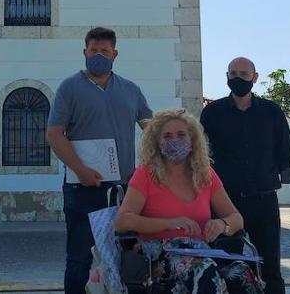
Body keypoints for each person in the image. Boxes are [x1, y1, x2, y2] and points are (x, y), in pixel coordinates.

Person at [46, 26, 153, 294]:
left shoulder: (130, 89)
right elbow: (54, 134)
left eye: (104, 51)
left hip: (125, 190)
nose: (99, 55)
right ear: (84, 52)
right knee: (79, 259)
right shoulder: (69, 88)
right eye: (94, 50)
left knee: (129, 256)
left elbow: (150, 129)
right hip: (82, 188)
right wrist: (80, 170)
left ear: (115, 54)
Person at [115, 109, 260, 294]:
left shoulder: (205, 175)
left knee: (241, 275)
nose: (174, 140)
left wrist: (221, 224)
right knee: (204, 272)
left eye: (181, 135)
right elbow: (122, 221)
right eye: (167, 136)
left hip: (202, 251)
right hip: (160, 255)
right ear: (158, 144)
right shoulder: (145, 174)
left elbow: (236, 218)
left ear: (192, 141)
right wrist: (169, 223)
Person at [200, 57, 290, 294]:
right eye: (233, 74)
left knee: (269, 265)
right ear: (227, 76)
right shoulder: (212, 113)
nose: (238, 78)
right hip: (225, 202)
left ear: (255, 77)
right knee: (225, 264)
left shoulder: (272, 112)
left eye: (243, 73)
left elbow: (286, 153)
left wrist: (263, 173)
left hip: (263, 200)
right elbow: (202, 155)